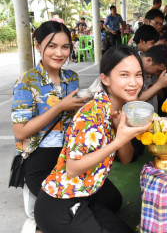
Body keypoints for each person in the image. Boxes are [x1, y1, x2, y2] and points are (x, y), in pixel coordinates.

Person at [34, 46, 151, 232]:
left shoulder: (118, 110)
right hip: (61, 203)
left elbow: (127, 159)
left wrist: (121, 131)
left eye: (138, 75)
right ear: (105, 79)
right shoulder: (90, 114)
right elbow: (72, 169)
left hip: (86, 196)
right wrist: (118, 140)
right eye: (124, 75)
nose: (134, 82)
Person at [11, 21, 88, 232]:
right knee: (71, 208)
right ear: (38, 46)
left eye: (65, 47)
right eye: (52, 46)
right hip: (39, 160)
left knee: (108, 200)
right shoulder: (27, 82)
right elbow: (20, 131)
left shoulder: (71, 78)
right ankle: (36, 225)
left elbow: (75, 119)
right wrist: (60, 106)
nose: (59, 53)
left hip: (69, 157)